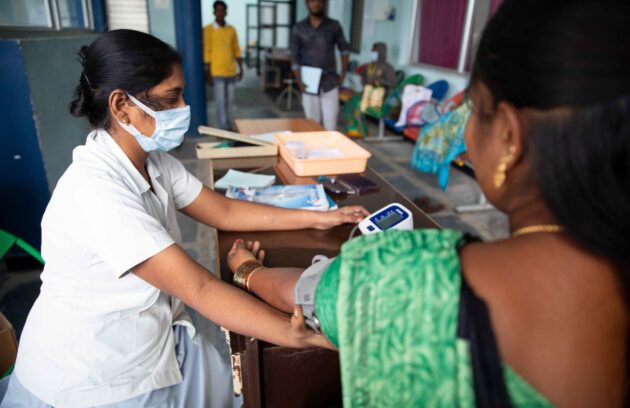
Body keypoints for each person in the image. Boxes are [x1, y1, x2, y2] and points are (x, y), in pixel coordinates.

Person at [226, 0, 630, 406]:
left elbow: (300, 293)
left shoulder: (408, 277)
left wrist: (246, 269)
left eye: (471, 109)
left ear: (508, 135)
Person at [0, 29, 368, 408]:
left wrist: (317, 217)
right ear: (121, 105)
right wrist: (296, 336)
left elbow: (224, 210)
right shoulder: (96, 191)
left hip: (150, 335)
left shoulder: (151, 162)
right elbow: (200, 289)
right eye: (170, 98)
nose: (183, 107)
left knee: (233, 389)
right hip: (93, 374)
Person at [290, 0, 351, 131]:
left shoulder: (334, 26)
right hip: (308, 84)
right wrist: (300, 82)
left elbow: (344, 50)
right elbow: (294, 57)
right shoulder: (299, 28)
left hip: (330, 82)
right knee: (312, 125)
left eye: (319, 1)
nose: (316, 3)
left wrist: (342, 75)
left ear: (324, 3)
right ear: (307, 3)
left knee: (331, 125)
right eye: (312, 1)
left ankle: (330, 151)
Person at [203, 0, 243, 130]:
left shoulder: (231, 30)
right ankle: (223, 128)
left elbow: (236, 49)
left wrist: (241, 68)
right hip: (217, 72)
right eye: (218, 10)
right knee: (220, 101)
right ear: (214, 12)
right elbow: (207, 51)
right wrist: (208, 73)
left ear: (226, 12)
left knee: (229, 101)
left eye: (223, 10)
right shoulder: (208, 29)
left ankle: (230, 125)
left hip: (231, 71)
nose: (220, 13)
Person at [345, 42, 397, 137]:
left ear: (381, 52)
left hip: (381, 96)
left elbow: (393, 83)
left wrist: (380, 82)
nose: (373, 53)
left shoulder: (387, 67)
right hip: (367, 93)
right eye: (372, 51)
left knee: (358, 103)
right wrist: (366, 84)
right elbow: (363, 77)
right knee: (352, 101)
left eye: (375, 51)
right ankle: (355, 129)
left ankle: (360, 131)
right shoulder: (370, 65)